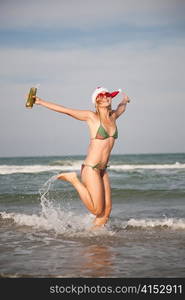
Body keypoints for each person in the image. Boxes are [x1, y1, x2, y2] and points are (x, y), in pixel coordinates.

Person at [33, 87, 130, 227]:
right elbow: (66, 110)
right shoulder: (91, 117)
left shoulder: (113, 117)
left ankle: (95, 239)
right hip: (91, 168)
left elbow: (122, 107)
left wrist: (125, 100)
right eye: (101, 96)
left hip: (103, 170)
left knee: (106, 212)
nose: (105, 98)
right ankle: (73, 179)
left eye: (108, 95)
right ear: (96, 101)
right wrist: (41, 102)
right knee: (97, 210)